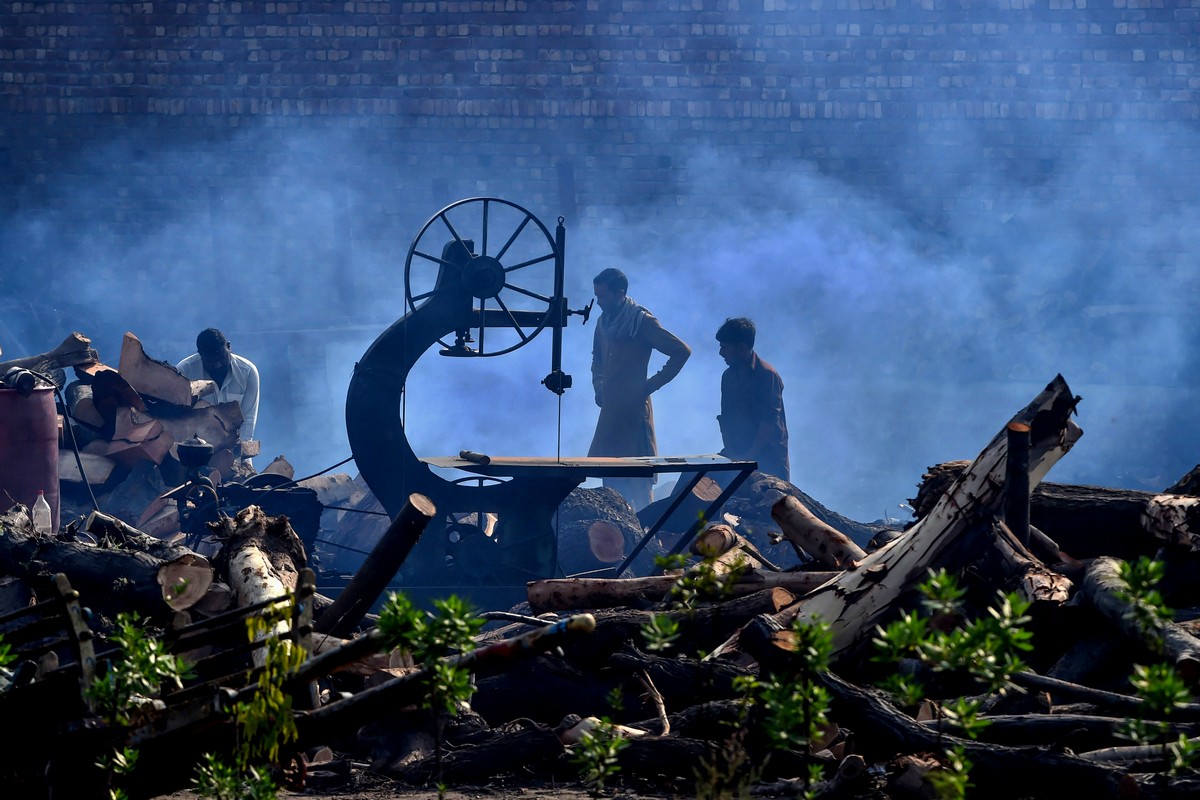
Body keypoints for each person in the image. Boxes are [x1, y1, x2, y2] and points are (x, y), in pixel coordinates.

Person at [588, 268, 691, 510]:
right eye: (597, 296)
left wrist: (648, 387)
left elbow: (681, 351)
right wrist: (598, 384)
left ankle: (647, 539)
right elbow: (597, 358)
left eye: (604, 297)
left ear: (620, 293)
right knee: (611, 484)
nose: (599, 303)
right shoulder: (603, 322)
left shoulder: (641, 321)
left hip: (634, 416)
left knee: (638, 485)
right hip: (611, 415)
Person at [715, 317, 789, 482]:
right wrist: (732, 453)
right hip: (737, 453)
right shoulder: (728, 376)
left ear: (741, 347)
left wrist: (748, 457)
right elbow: (725, 418)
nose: (721, 353)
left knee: (773, 501)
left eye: (725, 347)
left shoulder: (767, 375)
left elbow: (768, 422)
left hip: (768, 457)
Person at [176, 328, 260, 446]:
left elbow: (248, 419)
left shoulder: (248, 372)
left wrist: (241, 451)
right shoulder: (184, 371)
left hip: (236, 449)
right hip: (196, 451)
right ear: (200, 354)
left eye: (221, 357)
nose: (217, 365)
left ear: (229, 347)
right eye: (210, 361)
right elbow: (180, 419)